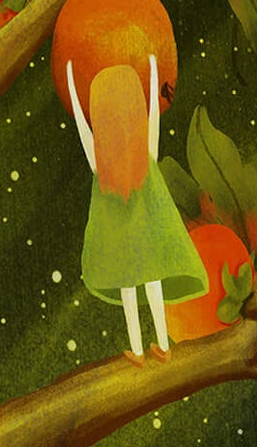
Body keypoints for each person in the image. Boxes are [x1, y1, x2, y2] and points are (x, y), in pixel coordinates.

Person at [65, 54, 208, 362]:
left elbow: (84, 127)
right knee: (146, 285)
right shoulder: (132, 156)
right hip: (139, 247)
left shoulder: (107, 162)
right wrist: (154, 75)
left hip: (128, 249)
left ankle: (147, 348)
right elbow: (152, 113)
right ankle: (159, 347)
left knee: (134, 288)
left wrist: (73, 89)